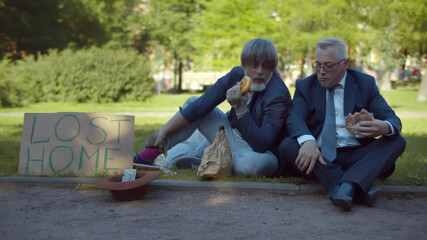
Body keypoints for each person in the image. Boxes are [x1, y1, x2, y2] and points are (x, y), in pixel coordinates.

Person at [278, 37, 406, 211]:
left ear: (345, 63)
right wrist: (308, 140)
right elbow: (294, 117)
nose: (321, 71)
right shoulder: (305, 85)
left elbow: (393, 120)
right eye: (317, 65)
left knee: (397, 140)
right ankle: (355, 187)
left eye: (328, 66)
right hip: (319, 156)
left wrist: (384, 126)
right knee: (288, 145)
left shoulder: (364, 84)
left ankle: (343, 186)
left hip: (357, 154)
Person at [134, 38, 291, 177]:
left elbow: (262, 143)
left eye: (266, 66)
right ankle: (151, 153)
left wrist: (240, 108)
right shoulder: (236, 75)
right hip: (231, 136)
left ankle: (210, 160)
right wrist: (161, 134)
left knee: (251, 165)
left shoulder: (278, 95)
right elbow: (200, 106)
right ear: (244, 65)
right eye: (254, 65)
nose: (259, 71)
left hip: (260, 153)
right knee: (173, 158)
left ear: (273, 67)